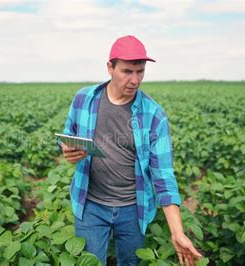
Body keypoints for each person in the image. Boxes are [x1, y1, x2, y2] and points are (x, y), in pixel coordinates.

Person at [59, 35, 202, 266]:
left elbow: (163, 175)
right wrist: (66, 148)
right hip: (91, 204)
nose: (135, 80)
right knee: (89, 262)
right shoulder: (83, 99)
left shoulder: (154, 115)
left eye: (140, 71)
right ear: (110, 68)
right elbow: (68, 134)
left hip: (133, 209)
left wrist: (177, 232)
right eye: (127, 71)